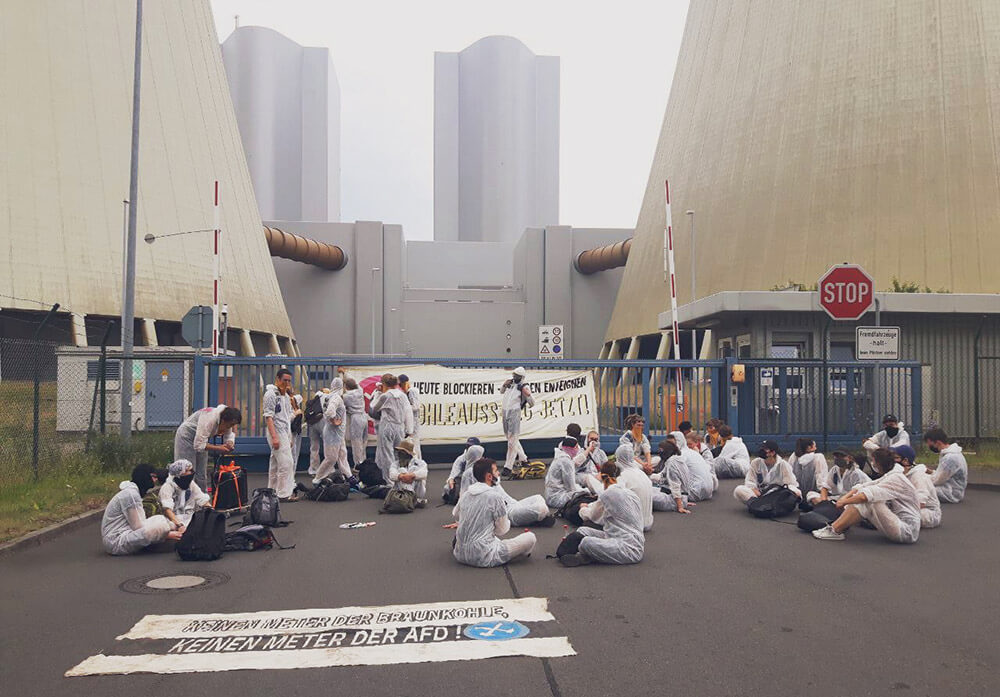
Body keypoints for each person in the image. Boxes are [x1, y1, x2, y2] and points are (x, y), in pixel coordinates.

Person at [812, 447, 921, 544]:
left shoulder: (896, 478)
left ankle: (834, 530)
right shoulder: (891, 475)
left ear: (879, 463)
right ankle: (837, 526)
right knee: (862, 497)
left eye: (873, 461)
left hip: (906, 531)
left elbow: (866, 495)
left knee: (867, 500)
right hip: (897, 522)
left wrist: (844, 501)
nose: (872, 464)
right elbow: (866, 485)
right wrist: (845, 498)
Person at [450, 458, 536, 568]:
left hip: (460, 554)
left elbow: (456, 515)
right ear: (489, 476)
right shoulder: (495, 497)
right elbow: (502, 530)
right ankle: (522, 553)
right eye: (496, 471)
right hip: (483, 555)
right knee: (530, 537)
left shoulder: (466, 494)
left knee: (489, 536)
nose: (498, 473)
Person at [561, 461, 645, 567]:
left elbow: (592, 515)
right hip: (622, 538)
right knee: (583, 531)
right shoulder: (631, 494)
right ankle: (590, 555)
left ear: (603, 477)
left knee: (586, 542)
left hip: (627, 548)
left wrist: (582, 509)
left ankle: (585, 557)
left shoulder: (608, 494)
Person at [101, 464, 180, 556]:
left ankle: (175, 529)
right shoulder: (131, 495)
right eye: (153, 477)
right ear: (144, 477)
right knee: (161, 526)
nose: (155, 480)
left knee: (160, 519)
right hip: (116, 542)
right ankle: (175, 534)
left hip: (120, 536)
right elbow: (138, 527)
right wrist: (165, 534)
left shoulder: (131, 492)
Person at [172, 404, 241, 491]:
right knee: (186, 470)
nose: (229, 428)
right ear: (223, 420)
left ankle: (203, 501)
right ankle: (186, 499)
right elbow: (198, 445)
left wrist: (230, 442)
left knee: (201, 473)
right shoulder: (209, 419)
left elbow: (228, 434)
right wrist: (220, 448)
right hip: (187, 437)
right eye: (229, 425)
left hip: (202, 438)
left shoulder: (226, 416)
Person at [314, 378, 360, 488]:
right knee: (331, 458)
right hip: (333, 433)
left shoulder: (328, 396)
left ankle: (349, 477)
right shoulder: (336, 398)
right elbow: (330, 412)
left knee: (342, 456)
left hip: (337, 433)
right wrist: (334, 420)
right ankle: (317, 478)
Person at [369, 374, 414, 482]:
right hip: (399, 426)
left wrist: (378, 393)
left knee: (386, 454)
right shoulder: (403, 395)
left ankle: (389, 480)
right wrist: (409, 430)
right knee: (398, 454)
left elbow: (374, 407)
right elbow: (408, 412)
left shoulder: (385, 396)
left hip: (387, 426)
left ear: (384, 384)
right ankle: (400, 477)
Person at [264, 368, 298, 501]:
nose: (287, 383)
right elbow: (269, 417)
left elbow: (285, 418)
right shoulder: (271, 395)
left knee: (275, 463)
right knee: (286, 463)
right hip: (276, 432)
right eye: (284, 380)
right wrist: (275, 437)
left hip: (283, 432)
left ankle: (271, 491)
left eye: (289, 380)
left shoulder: (284, 396)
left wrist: (289, 436)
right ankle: (283, 493)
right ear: (277, 379)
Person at [733, 440, 801, 503]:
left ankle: (759, 504)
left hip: (776, 494)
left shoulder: (783, 465)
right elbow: (750, 480)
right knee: (739, 490)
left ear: (772, 453)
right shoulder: (755, 462)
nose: (761, 450)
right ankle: (759, 503)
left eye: (765, 449)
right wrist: (753, 489)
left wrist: (793, 492)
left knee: (795, 493)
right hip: (759, 494)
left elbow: (791, 483)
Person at [893, 444, 941, 529]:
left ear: (905, 461)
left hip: (928, 512)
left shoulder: (918, 476)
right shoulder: (902, 474)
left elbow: (921, 503)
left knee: (902, 516)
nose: (893, 461)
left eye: (896, 458)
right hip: (912, 506)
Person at [159, 459, 211, 528]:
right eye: (187, 471)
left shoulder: (190, 483)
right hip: (172, 520)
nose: (191, 473)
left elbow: (201, 498)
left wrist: (212, 511)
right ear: (179, 473)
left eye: (191, 470)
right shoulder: (167, 487)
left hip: (189, 517)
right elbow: (167, 509)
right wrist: (179, 525)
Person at [501, 367, 534, 473]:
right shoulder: (510, 383)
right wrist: (505, 384)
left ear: (522, 377)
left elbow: (532, 402)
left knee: (512, 440)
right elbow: (501, 391)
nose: (515, 377)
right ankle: (523, 458)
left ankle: (508, 466)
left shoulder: (524, 386)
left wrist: (527, 394)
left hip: (514, 412)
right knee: (510, 438)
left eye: (517, 376)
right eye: (514, 375)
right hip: (505, 411)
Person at [923, 428, 968, 503]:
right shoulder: (951, 454)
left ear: (937, 442)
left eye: (929, 443)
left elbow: (937, 480)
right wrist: (930, 472)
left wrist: (920, 478)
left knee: (919, 490)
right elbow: (943, 474)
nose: (928, 445)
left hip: (950, 492)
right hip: (952, 488)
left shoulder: (950, 458)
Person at [648, 440, 694, 513]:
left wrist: (680, 506)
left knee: (643, 495)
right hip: (676, 496)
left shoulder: (672, 464)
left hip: (673, 500)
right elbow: (661, 476)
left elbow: (675, 486)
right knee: (646, 489)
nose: (659, 452)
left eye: (660, 450)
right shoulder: (674, 460)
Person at [544, 437, 586, 509]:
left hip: (551, 495)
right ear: (569, 448)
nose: (577, 449)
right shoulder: (566, 461)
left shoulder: (561, 457)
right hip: (557, 497)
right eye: (576, 447)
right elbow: (570, 486)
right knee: (585, 494)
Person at [388, 439, 428, 508]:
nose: (399, 454)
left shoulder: (420, 463)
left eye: (402, 452)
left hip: (417, 492)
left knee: (414, 471)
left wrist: (411, 476)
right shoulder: (395, 464)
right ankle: (411, 500)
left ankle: (411, 498)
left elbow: (424, 473)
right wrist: (401, 476)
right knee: (402, 470)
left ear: (408, 454)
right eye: (399, 452)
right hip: (400, 491)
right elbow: (391, 475)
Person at [788, 438, 828, 504]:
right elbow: (821, 477)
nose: (816, 447)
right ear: (809, 447)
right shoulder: (818, 457)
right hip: (813, 493)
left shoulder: (794, 456)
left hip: (797, 493)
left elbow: (789, 475)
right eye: (814, 445)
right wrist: (823, 491)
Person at [341, 376, 369, 467]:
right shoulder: (360, 391)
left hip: (356, 418)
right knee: (364, 441)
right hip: (364, 416)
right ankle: (364, 462)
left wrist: (342, 375)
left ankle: (358, 464)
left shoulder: (346, 396)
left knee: (356, 443)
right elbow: (356, 384)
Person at [682, 431, 718, 501]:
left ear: (697, 442)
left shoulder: (706, 452)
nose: (688, 447)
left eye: (690, 444)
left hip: (711, 478)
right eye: (687, 444)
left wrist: (698, 455)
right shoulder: (687, 452)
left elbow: (707, 468)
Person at [306, 387, 330, 476]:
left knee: (314, 447)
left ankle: (314, 468)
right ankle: (328, 469)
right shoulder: (326, 397)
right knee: (327, 445)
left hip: (312, 422)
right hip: (322, 421)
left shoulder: (313, 399)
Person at [398, 374, 422, 459]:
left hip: (414, 420)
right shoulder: (407, 392)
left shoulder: (412, 391)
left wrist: (404, 408)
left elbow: (416, 406)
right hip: (410, 420)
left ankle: (417, 461)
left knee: (414, 443)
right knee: (412, 443)